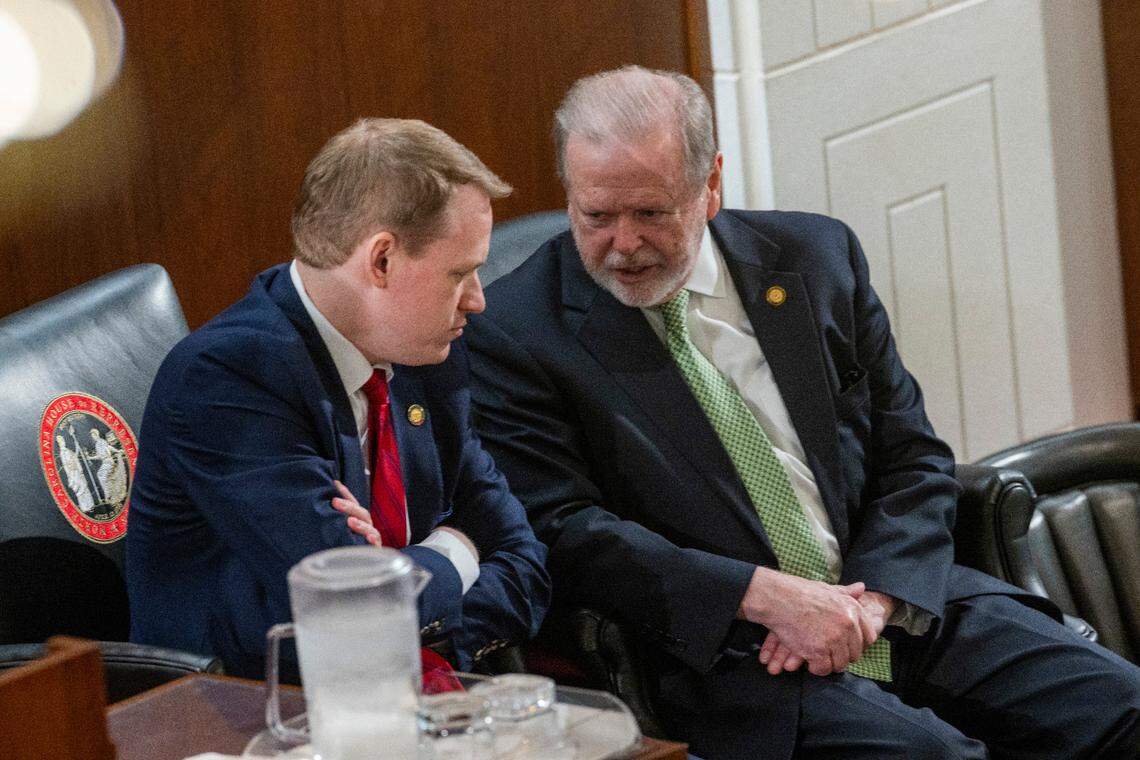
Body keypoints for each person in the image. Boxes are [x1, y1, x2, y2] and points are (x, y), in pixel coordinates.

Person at [465, 66, 1140, 759]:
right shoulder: (516, 331)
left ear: (711, 185)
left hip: (891, 602)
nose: (624, 244)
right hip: (736, 654)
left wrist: (874, 602)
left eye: (651, 213)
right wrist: (765, 598)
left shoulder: (815, 259)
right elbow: (568, 532)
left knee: (1122, 705)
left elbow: (912, 455)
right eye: (596, 216)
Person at [127, 118, 550, 679]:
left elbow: (525, 561)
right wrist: (460, 551)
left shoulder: (424, 355)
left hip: (414, 697)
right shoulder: (227, 379)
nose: (477, 300)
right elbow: (357, 610)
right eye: (461, 273)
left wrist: (409, 586)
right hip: (250, 714)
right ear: (381, 260)